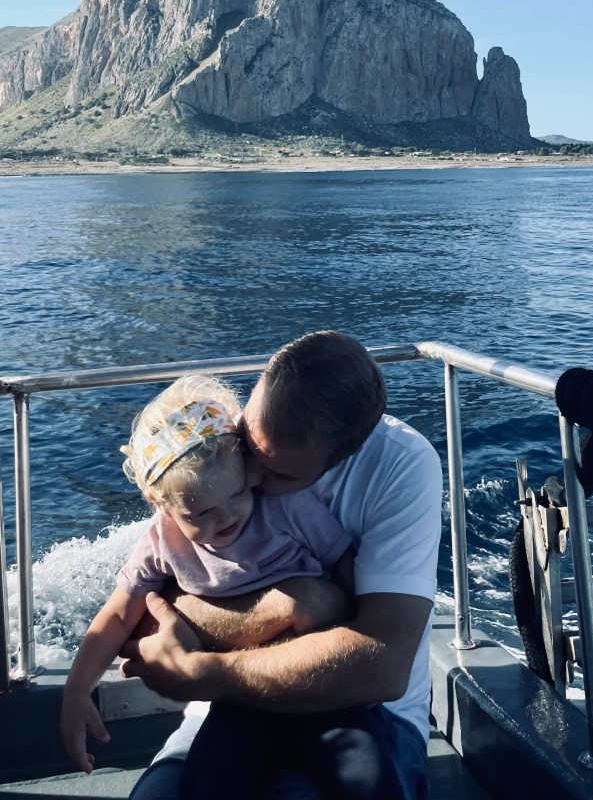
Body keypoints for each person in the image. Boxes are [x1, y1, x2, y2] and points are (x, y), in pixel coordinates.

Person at [121, 331, 443, 800]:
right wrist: (294, 604)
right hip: (221, 713)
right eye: (250, 450)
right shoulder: (216, 446)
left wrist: (205, 671)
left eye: (277, 474)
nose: (250, 478)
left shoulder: (399, 466)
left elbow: (380, 665)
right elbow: (150, 616)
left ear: (339, 461)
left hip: (364, 712)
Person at [60, 374, 357, 798]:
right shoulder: (161, 541)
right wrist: (77, 691)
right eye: (200, 512)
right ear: (161, 504)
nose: (226, 517)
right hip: (240, 695)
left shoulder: (289, 510)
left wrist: (360, 633)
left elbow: (344, 564)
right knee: (209, 783)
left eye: (236, 494)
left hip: (316, 678)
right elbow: (119, 612)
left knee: (359, 776)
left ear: (247, 473)